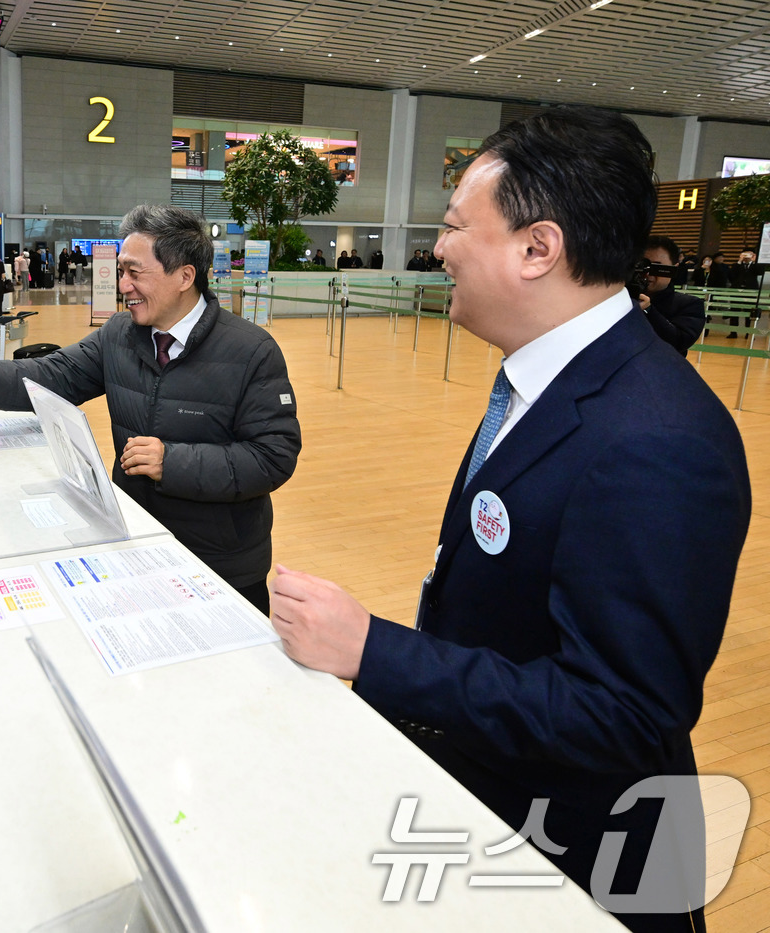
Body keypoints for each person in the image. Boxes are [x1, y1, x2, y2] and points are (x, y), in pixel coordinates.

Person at [267, 106, 751, 933]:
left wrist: (375, 649)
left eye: (456, 226)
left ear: (539, 248)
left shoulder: (658, 437)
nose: (441, 248)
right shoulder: (545, 382)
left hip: (579, 859)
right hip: (493, 808)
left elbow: (627, 715)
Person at [0, 205, 300, 614]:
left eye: (135, 272)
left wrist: (171, 462)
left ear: (185, 276)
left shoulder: (251, 352)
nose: (123, 285)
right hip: (134, 540)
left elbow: (272, 456)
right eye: (121, 271)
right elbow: (54, 373)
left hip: (219, 565)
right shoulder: (120, 335)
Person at [637, 236, 705, 356]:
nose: (648, 274)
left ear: (674, 268)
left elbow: (678, 342)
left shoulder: (690, 304)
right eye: (642, 265)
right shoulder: (617, 299)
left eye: (656, 267)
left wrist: (648, 310)